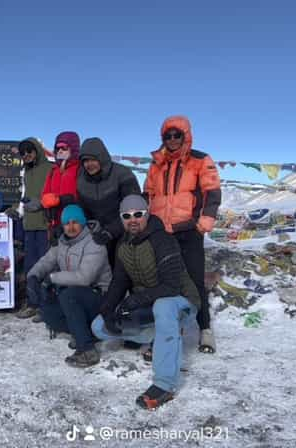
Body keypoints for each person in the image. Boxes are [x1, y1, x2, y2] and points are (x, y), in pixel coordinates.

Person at [91, 194, 200, 410]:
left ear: (147, 214)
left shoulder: (163, 240)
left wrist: (134, 300)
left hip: (181, 302)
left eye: (138, 214)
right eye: (127, 215)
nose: (133, 219)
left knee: (164, 306)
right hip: (150, 305)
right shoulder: (123, 245)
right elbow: (119, 282)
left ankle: (164, 385)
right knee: (99, 326)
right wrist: (107, 310)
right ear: (121, 219)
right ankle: (159, 338)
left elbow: (171, 286)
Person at [144, 116, 221, 354]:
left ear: (186, 135)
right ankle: (169, 332)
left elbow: (212, 191)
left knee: (195, 281)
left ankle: (205, 329)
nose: (173, 139)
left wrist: (203, 221)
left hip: (188, 230)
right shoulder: (156, 164)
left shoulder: (200, 160)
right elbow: (148, 193)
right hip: (162, 232)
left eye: (177, 135)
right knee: (166, 283)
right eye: (168, 135)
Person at [28, 205, 111, 367]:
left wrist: (51, 278)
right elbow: (46, 261)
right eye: (67, 223)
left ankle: (87, 349)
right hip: (75, 296)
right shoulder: (62, 242)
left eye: (75, 222)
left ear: (83, 223)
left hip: (100, 298)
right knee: (47, 309)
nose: (71, 227)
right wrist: (33, 277)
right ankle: (83, 332)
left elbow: (84, 278)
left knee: (69, 295)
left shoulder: (95, 243)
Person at [76, 137, 141, 265]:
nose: (89, 164)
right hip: (98, 235)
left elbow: (134, 207)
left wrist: (111, 231)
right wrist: (89, 225)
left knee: (122, 268)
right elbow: (83, 208)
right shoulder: (82, 181)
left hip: (125, 233)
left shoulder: (122, 174)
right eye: (85, 161)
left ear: (102, 158)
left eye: (93, 159)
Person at [16, 137, 52, 319]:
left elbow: (55, 193)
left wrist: (42, 203)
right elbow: (23, 196)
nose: (26, 155)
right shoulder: (26, 173)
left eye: (29, 151)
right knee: (30, 267)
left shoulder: (49, 168)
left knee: (45, 267)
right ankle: (33, 303)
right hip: (29, 226)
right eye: (23, 153)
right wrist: (17, 210)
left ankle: (46, 306)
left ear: (37, 150)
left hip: (45, 225)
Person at [41, 131, 81, 243]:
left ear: (73, 148)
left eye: (64, 148)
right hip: (56, 223)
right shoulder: (54, 170)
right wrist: (46, 202)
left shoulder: (80, 168)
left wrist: (70, 199)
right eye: (57, 148)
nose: (60, 151)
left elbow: (86, 192)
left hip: (76, 222)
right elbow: (45, 193)